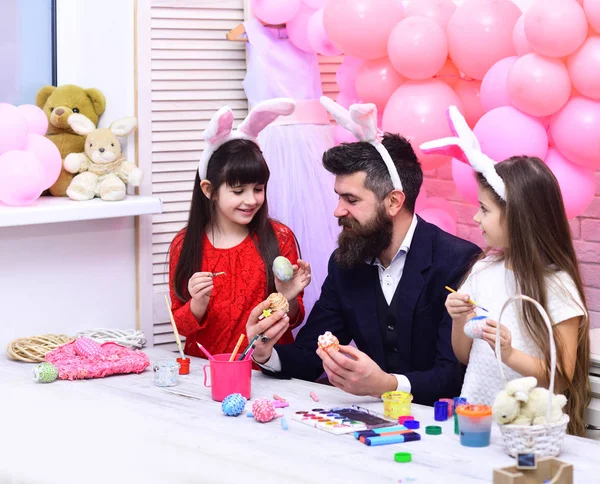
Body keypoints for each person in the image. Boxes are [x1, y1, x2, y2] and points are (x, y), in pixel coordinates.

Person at [246, 99, 481, 406]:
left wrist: (387, 384)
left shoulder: (459, 262)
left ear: (394, 202)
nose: (337, 211)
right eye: (338, 197)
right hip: (371, 426)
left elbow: (456, 374)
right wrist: (265, 352)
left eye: (351, 200)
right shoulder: (345, 263)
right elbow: (310, 354)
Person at [428, 107, 590, 436]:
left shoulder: (556, 285)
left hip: (527, 430)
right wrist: (460, 320)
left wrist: (509, 353)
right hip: (475, 421)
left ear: (518, 217)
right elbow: (463, 354)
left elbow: (560, 375)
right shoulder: (483, 269)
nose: (476, 219)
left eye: (485, 210)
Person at [169, 100, 311, 358]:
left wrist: (287, 297)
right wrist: (198, 303)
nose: (251, 200)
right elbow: (180, 328)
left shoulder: (279, 237)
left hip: (267, 371)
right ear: (209, 190)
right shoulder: (186, 244)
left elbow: (293, 320)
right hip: (209, 372)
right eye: (238, 191)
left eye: (258, 189)